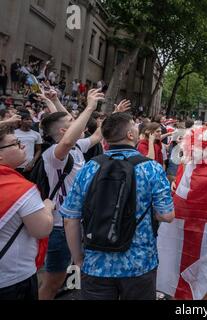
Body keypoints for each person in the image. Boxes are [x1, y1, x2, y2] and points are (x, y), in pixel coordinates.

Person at [61, 113, 175, 300]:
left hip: (96, 263)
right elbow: (167, 215)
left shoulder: (89, 167)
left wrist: (79, 258)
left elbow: (70, 218)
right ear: (130, 135)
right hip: (139, 263)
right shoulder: (151, 168)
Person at [156, 126, 207, 300]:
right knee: (205, 280)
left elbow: (176, 201)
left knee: (181, 273)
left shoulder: (186, 168)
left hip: (184, 234)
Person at [38, 89, 104, 300]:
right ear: (65, 130)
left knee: (74, 268)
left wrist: (55, 100)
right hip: (59, 227)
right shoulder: (54, 153)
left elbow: (95, 136)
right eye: (72, 121)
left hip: (78, 222)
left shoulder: (77, 147)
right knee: (51, 283)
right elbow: (66, 138)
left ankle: (72, 289)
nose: (79, 123)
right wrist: (90, 107)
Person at [0, 124, 54, 300]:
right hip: (13, 279)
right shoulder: (21, 189)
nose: (22, 146)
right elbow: (42, 229)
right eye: (15, 143)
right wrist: (47, 207)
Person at [14, 112, 42, 179]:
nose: (29, 121)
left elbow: (38, 150)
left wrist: (32, 162)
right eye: (26, 119)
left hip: (29, 166)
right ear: (20, 122)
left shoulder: (36, 134)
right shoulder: (13, 133)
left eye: (30, 119)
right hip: (15, 165)